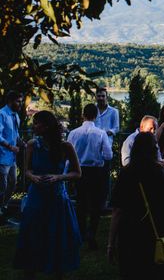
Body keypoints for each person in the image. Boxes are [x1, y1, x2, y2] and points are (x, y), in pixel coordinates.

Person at [14, 110, 82, 277]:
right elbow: (27, 170)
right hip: (36, 197)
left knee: (55, 235)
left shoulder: (65, 146)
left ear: (46, 126)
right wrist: (33, 177)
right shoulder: (32, 145)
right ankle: (31, 267)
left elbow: (77, 173)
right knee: (34, 234)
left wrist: (58, 177)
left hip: (57, 197)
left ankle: (56, 267)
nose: (33, 126)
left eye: (37, 123)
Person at [108, 133, 164, 279]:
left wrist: (111, 242)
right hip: (158, 230)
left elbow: (117, 211)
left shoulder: (126, 174)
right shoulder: (162, 173)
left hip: (131, 233)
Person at [67, 104, 113, 250]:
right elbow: (108, 155)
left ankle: (81, 233)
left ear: (83, 115)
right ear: (96, 116)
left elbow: (68, 155)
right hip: (96, 172)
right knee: (96, 204)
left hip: (79, 171)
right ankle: (92, 233)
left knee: (81, 203)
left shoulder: (73, 133)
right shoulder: (100, 133)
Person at [0, 90, 24, 221]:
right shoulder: (2, 114)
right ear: (10, 101)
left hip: (12, 157)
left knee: (13, 183)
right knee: (2, 185)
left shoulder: (16, 116)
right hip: (2, 156)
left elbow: (15, 134)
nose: (20, 104)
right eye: (18, 101)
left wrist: (22, 143)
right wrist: (10, 146)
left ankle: (3, 206)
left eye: (21, 101)